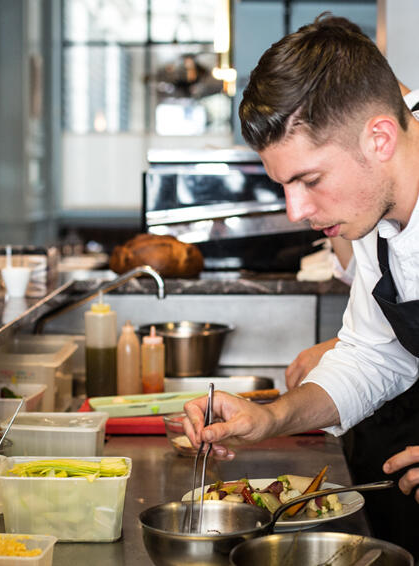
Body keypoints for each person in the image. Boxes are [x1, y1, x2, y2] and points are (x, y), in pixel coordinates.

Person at [183, 14, 419, 557]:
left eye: (309, 180)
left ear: (379, 137)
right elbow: (374, 356)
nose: (297, 211)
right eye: (284, 186)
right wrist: (270, 418)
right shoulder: (373, 212)